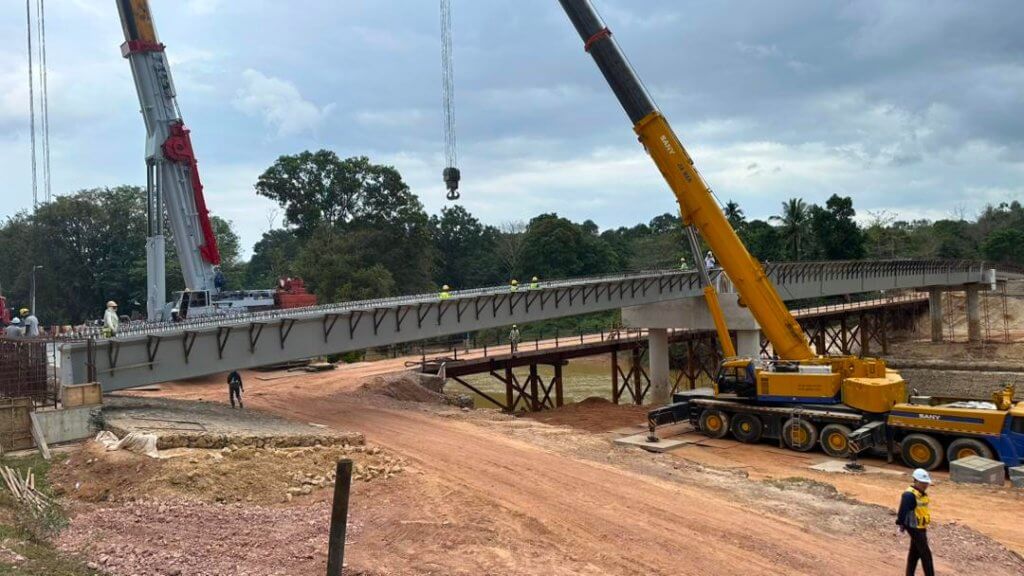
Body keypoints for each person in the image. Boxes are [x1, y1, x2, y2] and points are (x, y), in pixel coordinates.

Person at [897, 468, 934, 576]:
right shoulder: (909, 495)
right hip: (914, 528)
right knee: (926, 555)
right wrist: (901, 525)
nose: (925, 485)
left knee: (914, 553)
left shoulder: (921, 493)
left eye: (926, 483)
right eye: (923, 483)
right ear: (915, 481)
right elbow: (902, 511)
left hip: (921, 526)